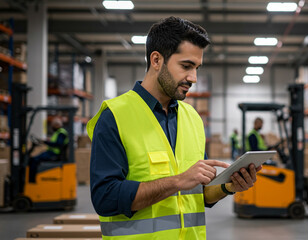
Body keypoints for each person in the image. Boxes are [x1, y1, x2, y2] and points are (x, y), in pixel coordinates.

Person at [87, 17, 261, 240]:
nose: (194, 78)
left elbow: (199, 193)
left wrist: (229, 186)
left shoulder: (192, 119)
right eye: (186, 66)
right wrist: (178, 181)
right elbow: (105, 198)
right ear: (157, 60)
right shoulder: (115, 116)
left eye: (197, 68)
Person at [28, 116, 68, 183]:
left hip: (54, 154)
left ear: (57, 125)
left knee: (34, 160)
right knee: (33, 158)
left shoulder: (61, 133)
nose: (52, 127)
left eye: (53, 125)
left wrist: (46, 142)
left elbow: (58, 144)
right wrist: (47, 141)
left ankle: (31, 181)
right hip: (51, 152)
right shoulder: (58, 132)